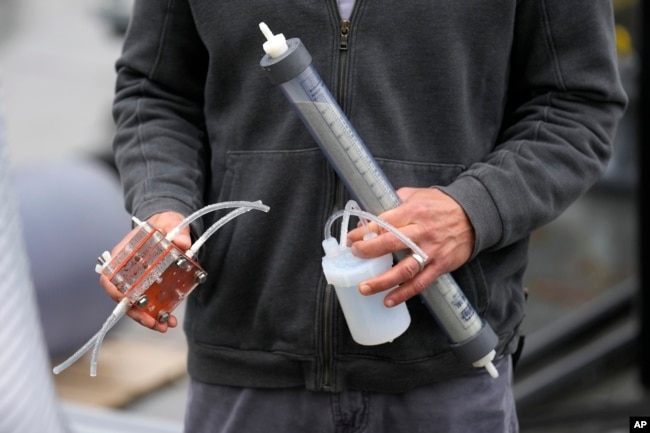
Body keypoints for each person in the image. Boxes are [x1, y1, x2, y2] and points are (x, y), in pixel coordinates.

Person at [102, 1, 627, 432]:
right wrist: (162, 204)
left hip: (446, 370)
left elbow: (575, 103)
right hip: (248, 366)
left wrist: (474, 209)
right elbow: (156, 91)